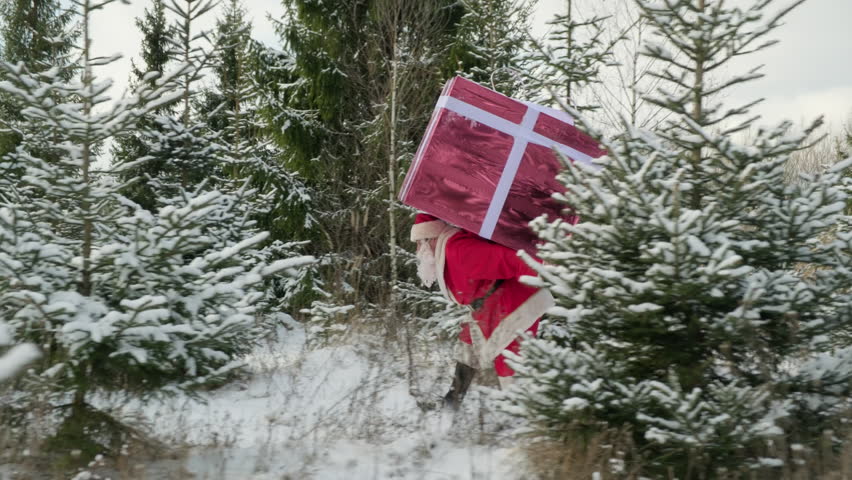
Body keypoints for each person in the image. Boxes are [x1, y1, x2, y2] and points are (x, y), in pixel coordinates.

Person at [410, 213, 554, 409]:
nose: (418, 250)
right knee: (468, 349)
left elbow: (508, 260)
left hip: (511, 302)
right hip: (488, 305)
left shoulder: (458, 250)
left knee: (513, 364)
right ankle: (451, 403)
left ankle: (534, 416)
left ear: (430, 239)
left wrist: (545, 269)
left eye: (420, 243)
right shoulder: (447, 250)